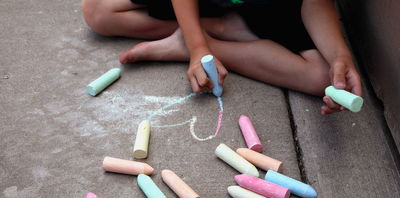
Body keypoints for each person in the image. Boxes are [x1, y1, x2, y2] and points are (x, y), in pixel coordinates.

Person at [81, 0, 362, 115]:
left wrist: (340, 54)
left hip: (268, 6)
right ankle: (211, 30)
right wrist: (198, 47)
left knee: (321, 78)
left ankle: (197, 40)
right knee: (98, 11)